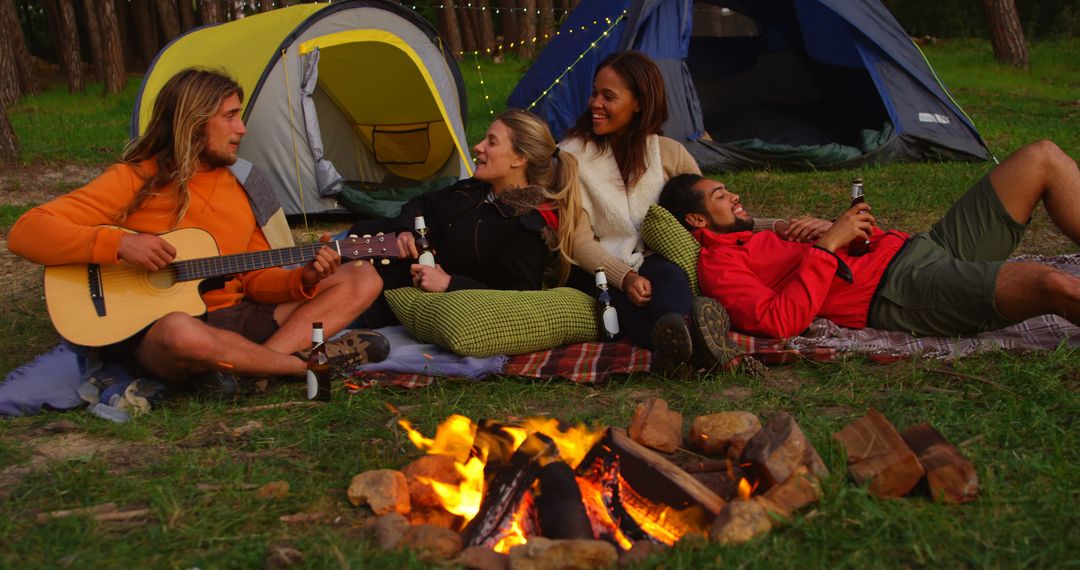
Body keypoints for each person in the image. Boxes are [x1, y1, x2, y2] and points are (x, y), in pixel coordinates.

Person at [8, 68, 386, 391]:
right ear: (193, 120)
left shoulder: (243, 186)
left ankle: (252, 367)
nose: (242, 128)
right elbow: (26, 231)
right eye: (230, 116)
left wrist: (301, 279)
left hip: (238, 319)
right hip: (166, 334)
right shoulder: (134, 179)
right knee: (179, 331)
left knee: (362, 277)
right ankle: (299, 368)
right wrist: (119, 242)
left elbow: (254, 276)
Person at [657, 140, 1080, 339]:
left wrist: (847, 234)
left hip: (925, 247)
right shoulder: (720, 265)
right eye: (720, 196)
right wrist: (826, 248)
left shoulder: (762, 234)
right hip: (900, 291)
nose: (733, 196)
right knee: (1053, 284)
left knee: (1041, 158)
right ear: (697, 219)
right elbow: (775, 321)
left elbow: (844, 253)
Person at [559, 51, 767, 371]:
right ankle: (701, 349)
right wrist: (624, 277)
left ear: (639, 103)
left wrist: (777, 226)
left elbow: (712, 210)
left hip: (657, 263)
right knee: (625, 302)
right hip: (598, 271)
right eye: (594, 93)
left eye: (608, 96)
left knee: (670, 277)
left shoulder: (669, 153)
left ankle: (683, 345)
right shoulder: (572, 158)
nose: (595, 104)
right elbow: (577, 240)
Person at [348, 109, 583, 327]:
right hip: (367, 243)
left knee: (321, 290)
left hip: (382, 290)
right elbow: (421, 202)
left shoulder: (524, 225)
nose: (477, 146)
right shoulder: (473, 189)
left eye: (491, 142)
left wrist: (450, 284)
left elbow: (519, 300)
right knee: (317, 263)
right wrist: (405, 230)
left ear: (519, 158)